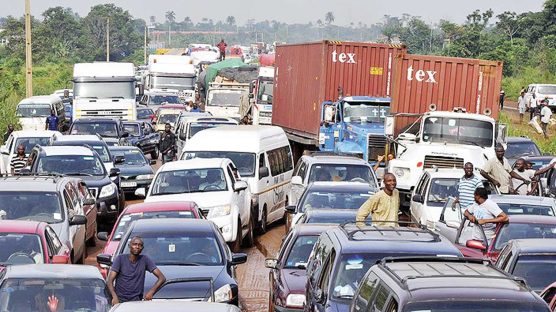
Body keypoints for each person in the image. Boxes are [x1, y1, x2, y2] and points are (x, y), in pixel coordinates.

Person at [106, 236, 166, 304]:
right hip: (120, 301)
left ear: (142, 248)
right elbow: (109, 281)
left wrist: (151, 292)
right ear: (129, 245)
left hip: (137, 302)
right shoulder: (120, 259)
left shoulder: (145, 259)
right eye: (134, 244)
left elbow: (162, 278)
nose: (137, 247)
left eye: (140, 245)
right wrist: (114, 297)